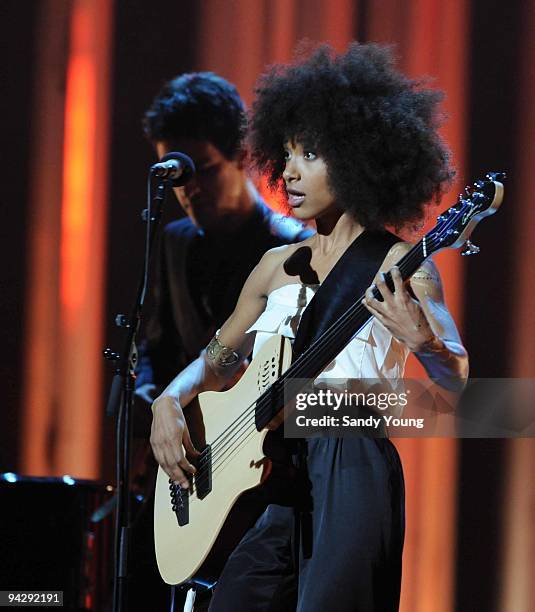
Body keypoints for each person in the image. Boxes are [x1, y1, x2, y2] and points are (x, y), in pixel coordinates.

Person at [150, 43, 469, 611]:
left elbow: (456, 383)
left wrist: (422, 341)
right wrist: (171, 399)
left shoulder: (400, 265)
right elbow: (217, 359)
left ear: (355, 161)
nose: (289, 172)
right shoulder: (275, 267)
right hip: (275, 467)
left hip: (352, 457)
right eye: (287, 154)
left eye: (311, 156)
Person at [129, 72, 310, 611]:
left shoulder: (294, 250)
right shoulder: (174, 243)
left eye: (200, 171)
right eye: (175, 176)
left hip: (259, 476)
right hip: (186, 467)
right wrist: (151, 398)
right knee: (135, 575)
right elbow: (153, 343)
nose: (188, 192)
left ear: (240, 156)